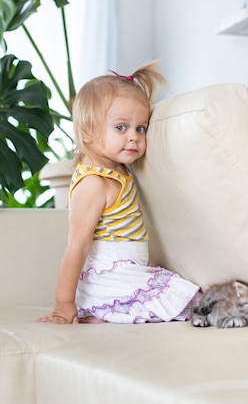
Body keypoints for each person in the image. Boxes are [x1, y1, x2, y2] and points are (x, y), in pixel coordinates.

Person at [37, 61, 200, 324]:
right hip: (110, 275)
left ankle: (100, 313)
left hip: (127, 268)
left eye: (141, 128)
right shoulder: (94, 183)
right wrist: (63, 305)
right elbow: (77, 245)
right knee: (185, 300)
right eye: (121, 127)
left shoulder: (118, 170)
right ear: (88, 133)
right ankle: (94, 309)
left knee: (185, 298)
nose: (134, 137)